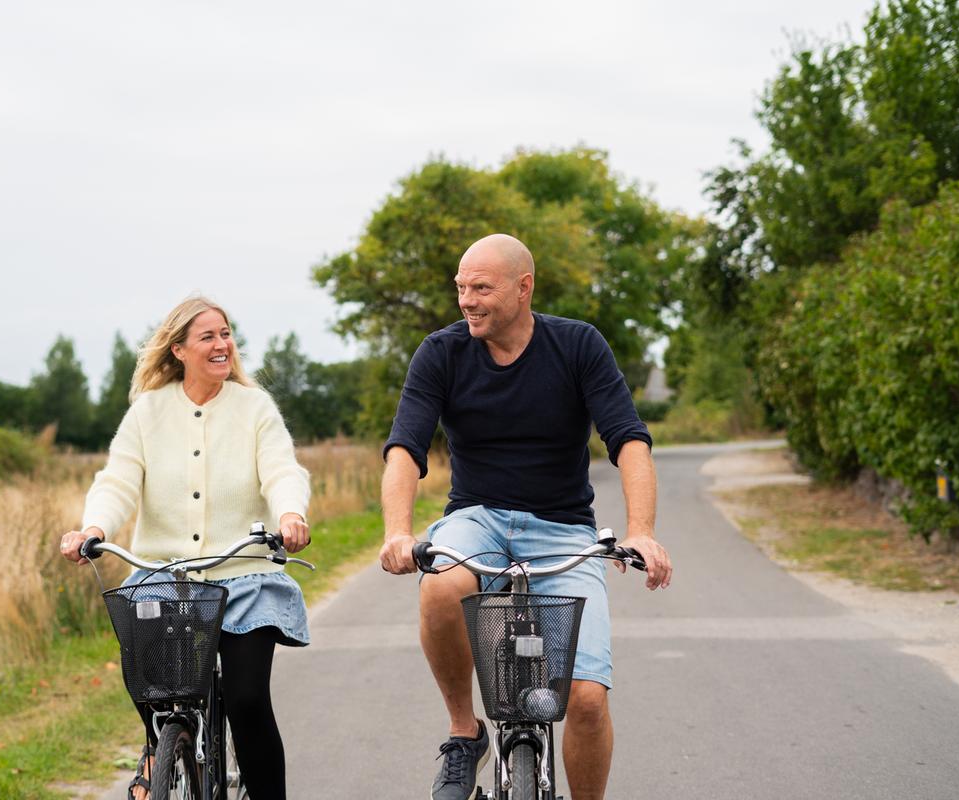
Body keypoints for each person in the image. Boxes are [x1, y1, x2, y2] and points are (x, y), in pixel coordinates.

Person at [378, 233, 672, 800]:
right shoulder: (441, 352)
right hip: (477, 518)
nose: (466, 300)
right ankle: (465, 734)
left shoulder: (578, 345)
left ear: (523, 287)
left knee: (586, 698)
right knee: (441, 587)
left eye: (481, 288)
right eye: (461, 287)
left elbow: (628, 441)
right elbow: (404, 450)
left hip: (563, 530)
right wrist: (398, 531)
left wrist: (641, 531)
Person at [59, 296, 310, 800]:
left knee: (246, 700)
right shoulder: (148, 412)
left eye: (226, 334)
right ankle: (160, 750)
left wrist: (290, 513)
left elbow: (282, 469)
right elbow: (119, 481)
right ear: (179, 350)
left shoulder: (254, 407)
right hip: (166, 576)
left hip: (245, 578)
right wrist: (94, 528)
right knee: (157, 694)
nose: (222, 345)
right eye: (208, 337)